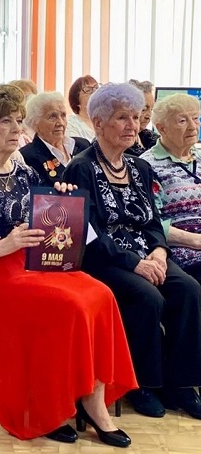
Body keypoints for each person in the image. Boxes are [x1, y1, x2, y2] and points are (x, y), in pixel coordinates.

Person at [0, 84, 136, 446]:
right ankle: (48, 405)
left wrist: (59, 200)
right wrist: (4, 245)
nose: (17, 129)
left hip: (32, 262)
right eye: (7, 122)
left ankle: (91, 401)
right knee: (68, 305)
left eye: (18, 121)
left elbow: (40, 222)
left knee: (100, 295)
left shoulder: (23, 171)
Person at [63, 82, 201, 420]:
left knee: (188, 290)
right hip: (103, 259)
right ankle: (142, 384)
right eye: (122, 118)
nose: (132, 125)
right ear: (98, 123)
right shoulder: (81, 168)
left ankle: (181, 383)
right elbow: (88, 233)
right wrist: (135, 264)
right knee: (147, 297)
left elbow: (153, 220)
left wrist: (159, 252)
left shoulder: (139, 167)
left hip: (146, 254)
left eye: (136, 117)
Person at [141, 93, 201, 280]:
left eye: (196, 118)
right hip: (180, 249)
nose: (193, 126)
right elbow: (150, 221)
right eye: (182, 121)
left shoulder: (199, 157)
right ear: (162, 128)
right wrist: (195, 240)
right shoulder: (147, 165)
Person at [20, 92, 90, 185]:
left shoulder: (83, 146)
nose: (60, 123)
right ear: (35, 122)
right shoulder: (28, 156)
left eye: (63, 115)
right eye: (52, 117)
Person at [126, 79, 159, 155]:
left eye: (151, 109)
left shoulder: (147, 135)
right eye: (144, 109)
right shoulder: (122, 142)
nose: (149, 116)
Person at [65, 75, 99, 141]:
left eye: (97, 88)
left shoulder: (107, 121)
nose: (95, 92)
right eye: (88, 90)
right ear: (76, 100)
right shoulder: (71, 125)